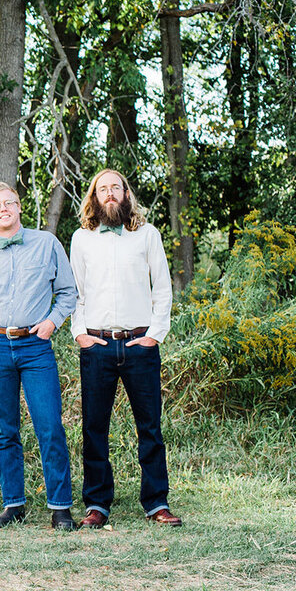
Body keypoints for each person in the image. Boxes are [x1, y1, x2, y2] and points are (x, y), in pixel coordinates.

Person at [70, 169, 182, 528]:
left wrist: (155, 335)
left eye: (115, 187)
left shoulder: (147, 235)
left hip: (139, 344)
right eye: (103, 189)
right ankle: (97, 505)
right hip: (97, 344)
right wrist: (80, 334)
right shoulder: (82, 238)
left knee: (149, 427)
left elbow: (162, 289)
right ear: (95, 197)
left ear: (126, 193)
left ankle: (156, 502)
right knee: (94, 428)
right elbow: (76, 293)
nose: (110, 194)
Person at [0, 183, 77, 531]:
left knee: (50, 426)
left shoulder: (47, 244)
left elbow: (67, 292)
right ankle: (13, 504)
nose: (3, 209)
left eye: (9, 203)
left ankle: (60, 507)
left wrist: (52, 322)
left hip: (35, 345)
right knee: (6, 430)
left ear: (19, 207)